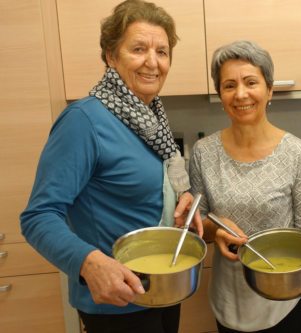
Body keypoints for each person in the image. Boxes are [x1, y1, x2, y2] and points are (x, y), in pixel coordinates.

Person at [20, 1, 202, 332]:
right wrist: (89, 263)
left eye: (162, 52)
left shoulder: (151, 117)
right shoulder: (85, 121)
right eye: (138, 49)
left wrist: (181, 199)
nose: (152, 62)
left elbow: (150, 183)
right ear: (110, 56)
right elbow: (38, 217)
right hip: (116, 305)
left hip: (159, 289)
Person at [188, 40, 301, 333]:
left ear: (269, 90)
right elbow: (197, 222)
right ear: (221, 94)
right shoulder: (203, 152)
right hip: (231, 298)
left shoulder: (297, 152)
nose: (241, 94)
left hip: (286, 294)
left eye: (251, 82)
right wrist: (215, 229)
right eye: (229, 85)